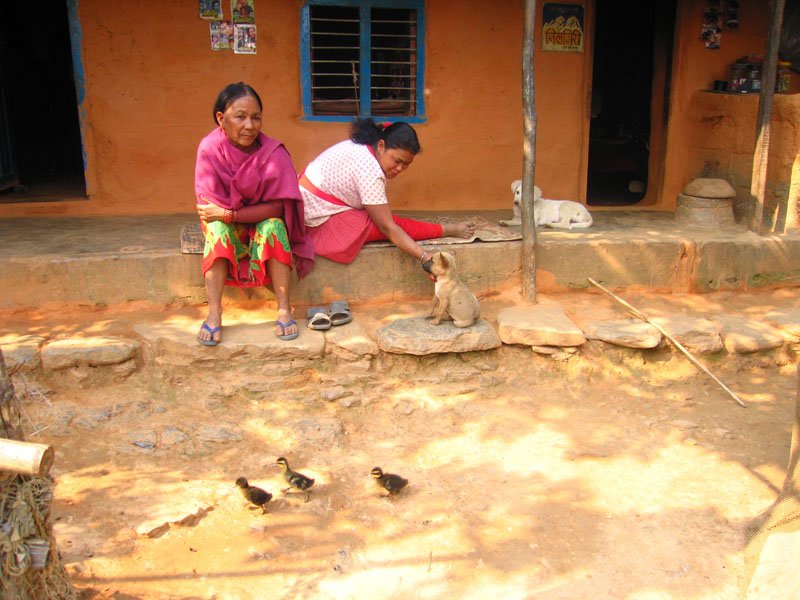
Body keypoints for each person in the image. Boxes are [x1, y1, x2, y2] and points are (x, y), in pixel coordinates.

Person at [195, 82, 313, 345]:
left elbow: (276, 207)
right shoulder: (209, 149)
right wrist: (227, 217)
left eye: (256, 117)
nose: (250, 125)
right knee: (216, 231)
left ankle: (284, 307)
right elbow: (208, 210)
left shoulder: (273, 152)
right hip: (228, 225)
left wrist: (230, 214)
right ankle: (214, 312)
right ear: (220, 119)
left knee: (274, 226)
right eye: (240, 116)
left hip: (256, 222)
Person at [298, 118, 476, 267]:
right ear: (381, 146)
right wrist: (424, 256)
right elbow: (388, 227)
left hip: (305, 207)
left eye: (406, 164)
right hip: (313, 222)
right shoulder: (370, 170)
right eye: (397, 161)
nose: (400, 168)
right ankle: (446, 230)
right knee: (390, 225)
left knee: (385, 220)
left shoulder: (362, 147)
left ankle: (445, 229)